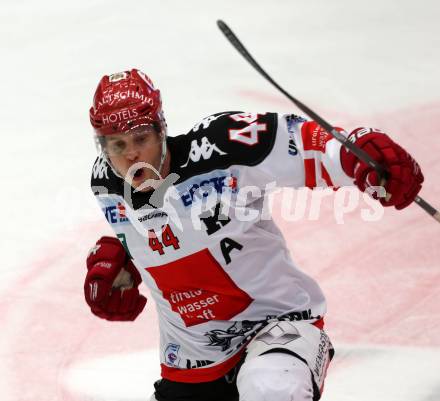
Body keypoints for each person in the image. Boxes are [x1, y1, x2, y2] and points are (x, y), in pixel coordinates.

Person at [84, 68, 423, 401]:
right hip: (194, 356)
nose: (131, 155)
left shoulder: (222, 149)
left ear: (161, 129)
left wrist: (362, 156)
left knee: (271, 390)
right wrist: (122, 263)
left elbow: (308, 145)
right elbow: (156, 229)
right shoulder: (105, 183)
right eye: (117, 144)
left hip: (278, 322)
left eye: (141, 138)